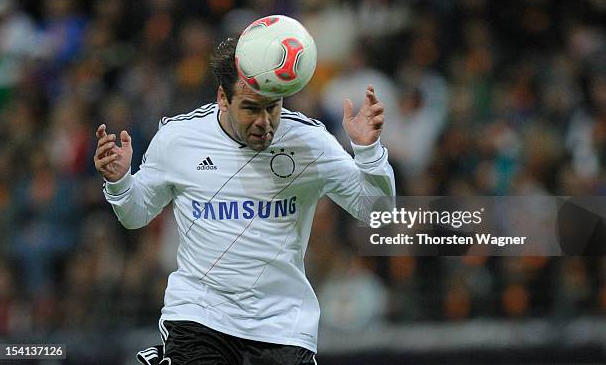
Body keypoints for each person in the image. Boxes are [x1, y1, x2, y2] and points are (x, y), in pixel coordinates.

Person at [94, 36, 396, 365]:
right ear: (223, 98)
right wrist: (121, 182)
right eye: (251, 108)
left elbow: (376, 211)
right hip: (201, 314)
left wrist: (368, 153)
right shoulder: (178, 140)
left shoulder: (309, 142)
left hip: (282, 323)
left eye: (273, 107)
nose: (264, 122)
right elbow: (136, 215)